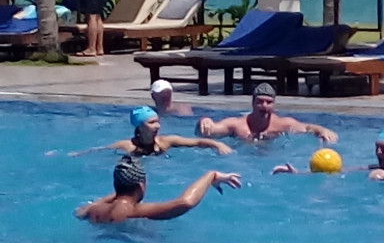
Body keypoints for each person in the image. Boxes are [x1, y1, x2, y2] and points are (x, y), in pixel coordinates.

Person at [75, 155, 241, 223]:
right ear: (141, 186)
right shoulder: (136, 211)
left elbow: (79, 212)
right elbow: (185, 202)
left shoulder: (94, 210)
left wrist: (118, 190)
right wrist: (210, 176)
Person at [272, 125, 384, 182]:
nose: (378, 152)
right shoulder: (377, 168)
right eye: (377, 147)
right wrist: (299, 173)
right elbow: (340, 171)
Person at [196, 83, 338, 142]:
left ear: (274, 105)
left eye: (268, 102)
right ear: (252, 103)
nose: (264, 106)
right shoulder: (237, 125)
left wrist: (321, 130)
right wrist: (204, 121)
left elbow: (307, 128)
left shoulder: (283, 124)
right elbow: (208, 132)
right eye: (260, 101)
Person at [71, 106, 233, 156]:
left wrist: (217, 144)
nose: (157, 126)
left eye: (157, 121)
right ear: (140, 126)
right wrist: (76, 154)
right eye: (151, 123)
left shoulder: (166, 141)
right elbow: (99, 151)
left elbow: (197, 142)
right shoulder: (127, 146)